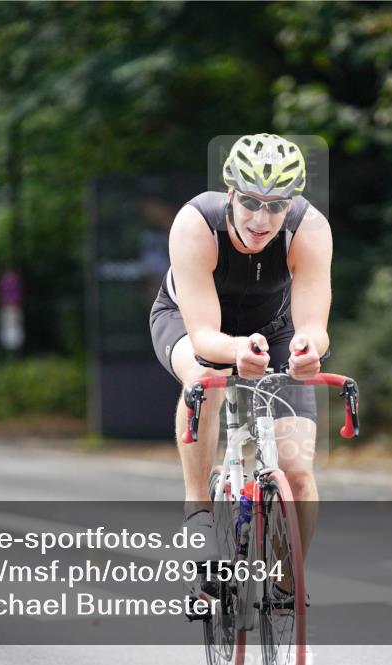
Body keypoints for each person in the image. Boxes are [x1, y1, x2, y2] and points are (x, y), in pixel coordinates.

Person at [148, 133, 332, 616]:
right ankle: (199, 512)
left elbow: (313, 325)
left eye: (275, 207)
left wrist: (309, 350)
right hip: (193, 324)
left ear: (290, 205)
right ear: (230, 192)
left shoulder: (309, 228)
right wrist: (233, 352)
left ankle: (287, 585)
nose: (259, 218)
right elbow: (206, 334)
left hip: (274, 330)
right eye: (249, 202)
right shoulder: (196, 225)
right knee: (204, 378)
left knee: (297, 475)